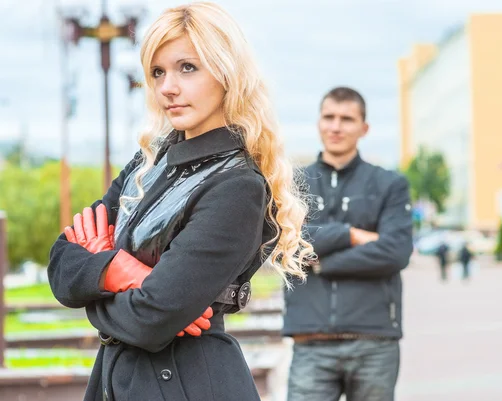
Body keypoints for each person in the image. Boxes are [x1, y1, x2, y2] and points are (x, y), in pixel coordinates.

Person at [47, 3, 312, 401]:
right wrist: (121, 272)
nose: (168, 86)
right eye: (158, 72)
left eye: (187, 67)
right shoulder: (149, 162)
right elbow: (61, 263)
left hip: (188, 384)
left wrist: (99, 279)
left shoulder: (237, 186)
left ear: (227, 73)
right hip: (120, 381)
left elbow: (151, 320)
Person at [282, 87, 414, 401]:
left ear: (364, 128)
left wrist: (322, 262)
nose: (336, 126)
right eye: (329, 117)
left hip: (374, 341)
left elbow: (395, 252)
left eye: (347, 119)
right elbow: (285, 246)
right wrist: (350, 235)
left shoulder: (390, 185)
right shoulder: (292, 185)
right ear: (318, 123)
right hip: (309, 340)